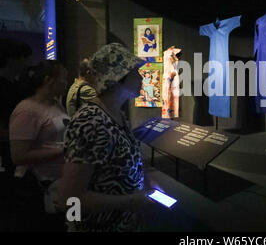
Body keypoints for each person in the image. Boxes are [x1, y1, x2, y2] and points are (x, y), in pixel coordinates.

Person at [59, 43, 157, 232]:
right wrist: (130, 201)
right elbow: (69, 200)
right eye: (136, 72)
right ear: (119, 77)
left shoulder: (116, 114)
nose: (142, 76)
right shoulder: (91, 121)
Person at [9, 60, 69, 231]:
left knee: (73, 223)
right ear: (48, 80)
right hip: (43, 187)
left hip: (64, 181)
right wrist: (63, 150)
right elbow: (18, 156)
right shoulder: (27, 110)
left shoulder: (56, 104)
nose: (66, 83)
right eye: (63, 79)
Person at [0, 39, 32, 231]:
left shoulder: (16, 85)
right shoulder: (5, 87)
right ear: (13, 60)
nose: (28, 63)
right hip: (7, 158)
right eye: (25, 58)